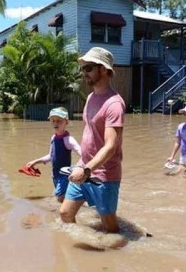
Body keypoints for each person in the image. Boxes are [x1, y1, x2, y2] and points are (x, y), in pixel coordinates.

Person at [59, 47, 125, 233]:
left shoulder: (114, 104)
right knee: (65, 213)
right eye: (83, 69)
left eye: (88, 68)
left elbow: (110, 146)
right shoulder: (90, 97)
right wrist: (82, 165)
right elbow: (90, 133)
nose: (83, 73)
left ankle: (115, 255)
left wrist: (87, 170)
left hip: (104, 174)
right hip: (84, 167)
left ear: (103, 69)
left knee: (110, 228)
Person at [27, 107, 82, 203]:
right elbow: (50, 156)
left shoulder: (68, 140)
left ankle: (64, 214)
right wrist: (35, 161)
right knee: (62, 198)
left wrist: (78, 168)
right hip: (55, 175)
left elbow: (82, 153)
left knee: (59, 197)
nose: (55, 123)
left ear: (66, 122)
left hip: (64, 176)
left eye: (59, 121)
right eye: (53, 121)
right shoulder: (53, 138)